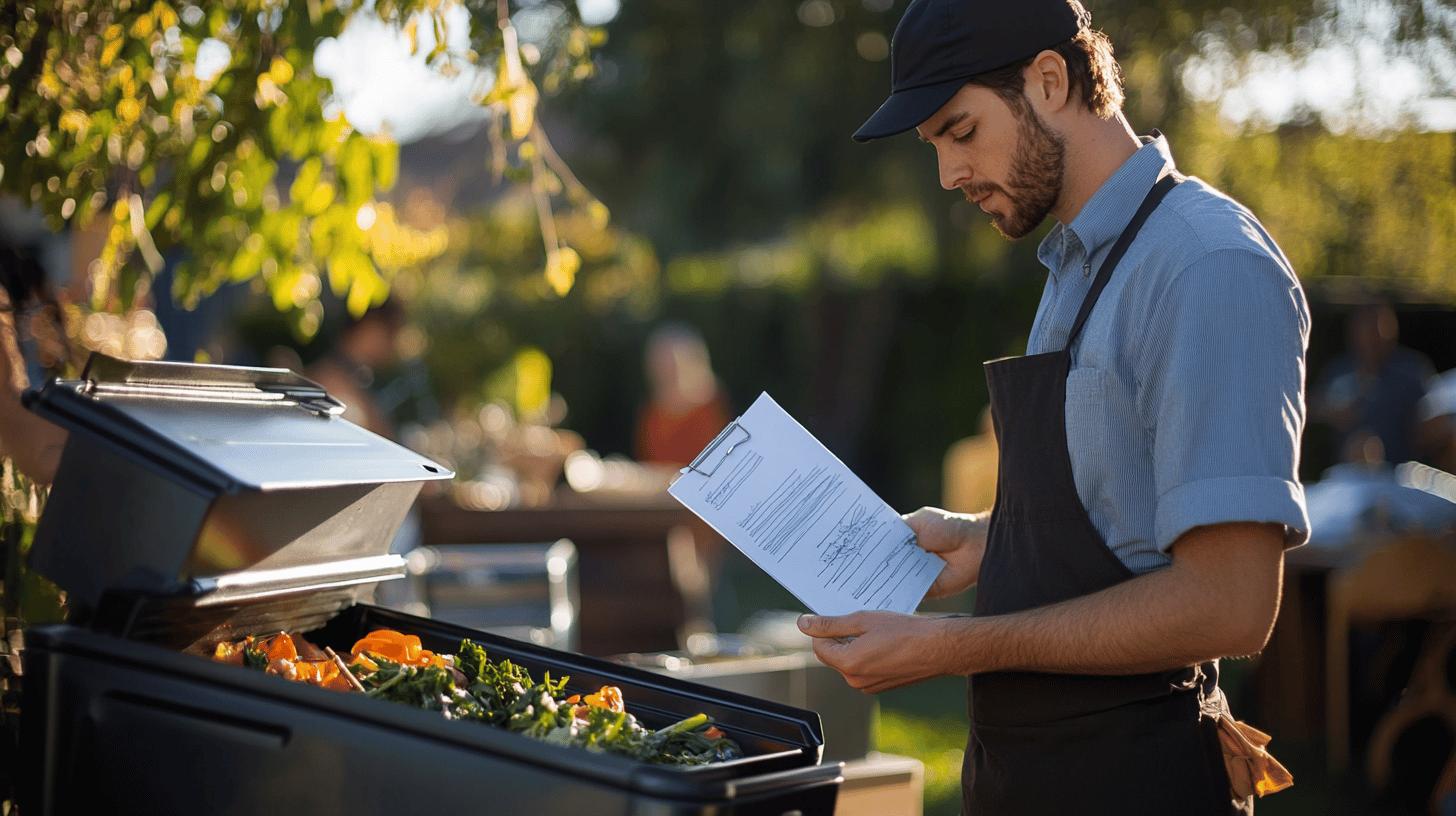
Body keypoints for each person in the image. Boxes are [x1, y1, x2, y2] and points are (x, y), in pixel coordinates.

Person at [795, 1, 1306, 813]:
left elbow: (1230, 603)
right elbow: (1124, 519)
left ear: (1049, 79)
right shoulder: (1073, 264)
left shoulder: (1206, 268)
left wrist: (958, 647)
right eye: (935, 146)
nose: (948, 175)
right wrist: (986, 541)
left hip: (1138, 782)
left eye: (961, 132)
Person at [1312, 302, 1433, 465]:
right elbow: (1309, 407)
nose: (1372, 340)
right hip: (1348, 476)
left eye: (1379, 331)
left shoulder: (1412, 371)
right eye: (1366, 331)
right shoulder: (1338, 371)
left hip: (1401, 475)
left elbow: (1433, 422)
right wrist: (1330, 412)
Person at [633, 323, 731, 468]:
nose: (667, 369)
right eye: (661, 362)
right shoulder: (650, 412)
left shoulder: (713, 405)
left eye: (673, 362)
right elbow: (648, 464)